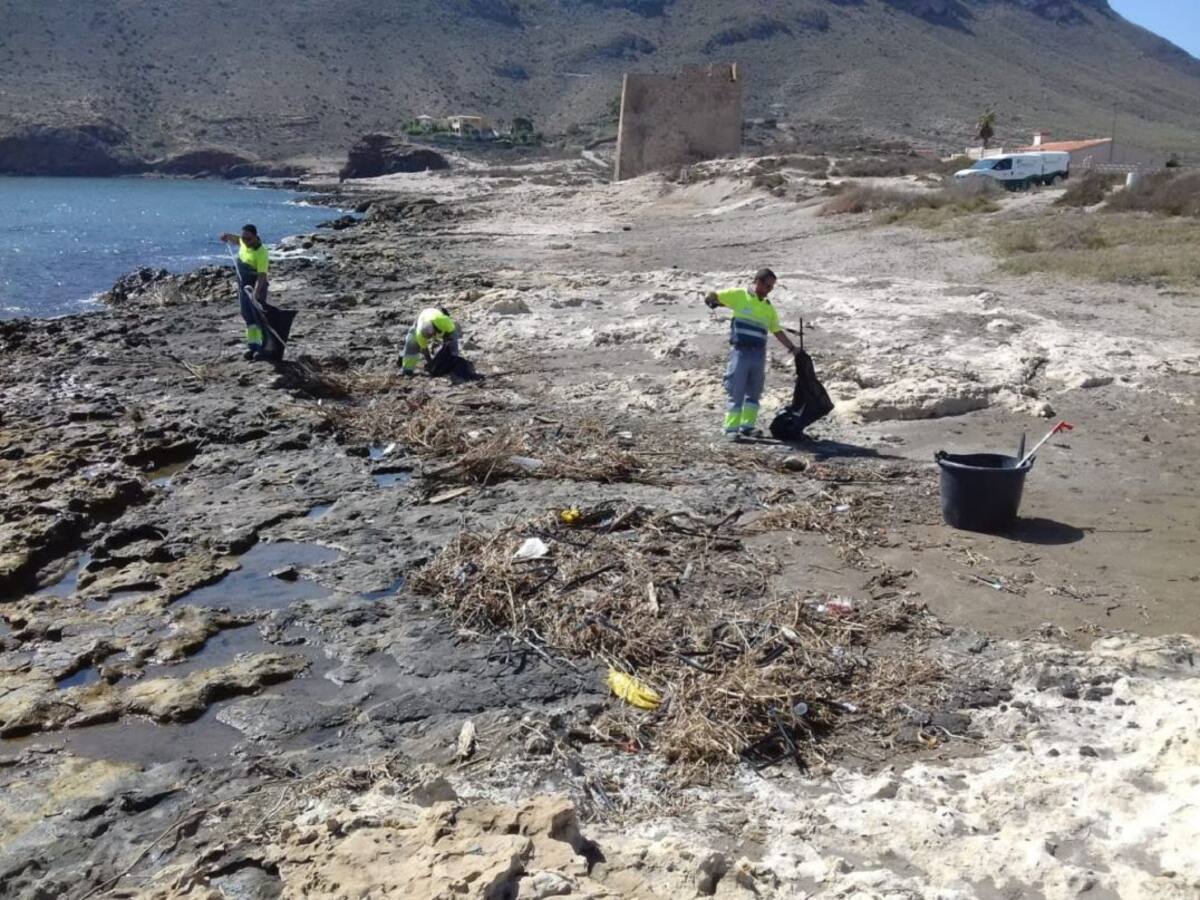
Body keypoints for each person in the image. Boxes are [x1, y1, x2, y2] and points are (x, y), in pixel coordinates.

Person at [704, 268, 801, 439]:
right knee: (737, 390)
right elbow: (713, 295)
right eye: (766, 285)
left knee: (754, 391)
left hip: (759, 354)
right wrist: (711, 298)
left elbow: (776, 330)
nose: (768, 290)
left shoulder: (768, 308)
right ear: (757, 281)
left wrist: (792, 348)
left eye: (771, 287)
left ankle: (747, 426)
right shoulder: (739, 295)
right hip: (740, 351)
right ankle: (731, 429)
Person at [218, 225, 270, 360]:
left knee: (258, 316)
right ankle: (253, 346)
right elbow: (237, 240)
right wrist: (227, 236)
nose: (245, 241)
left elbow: (262, 276)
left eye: (248, 238)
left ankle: (263, 347)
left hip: (255, 287)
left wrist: (256, 294)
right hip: (243, 286)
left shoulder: (261, 252)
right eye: (244, 238)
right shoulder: (243, 240)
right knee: (247, 316)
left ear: (255, 237)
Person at [402, 306, 460, 376]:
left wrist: (448, 342)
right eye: (427, 337)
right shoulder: (419, 334)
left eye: (431, 336)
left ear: (434, 331)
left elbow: (452, 333)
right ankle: (407, 369)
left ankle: (453, 362)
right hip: (423, 317)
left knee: (452, 345)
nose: (429, 338)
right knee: (412, 343)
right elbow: (425, 350)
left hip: (436, 316)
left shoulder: (444, 322)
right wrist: (430, 364)